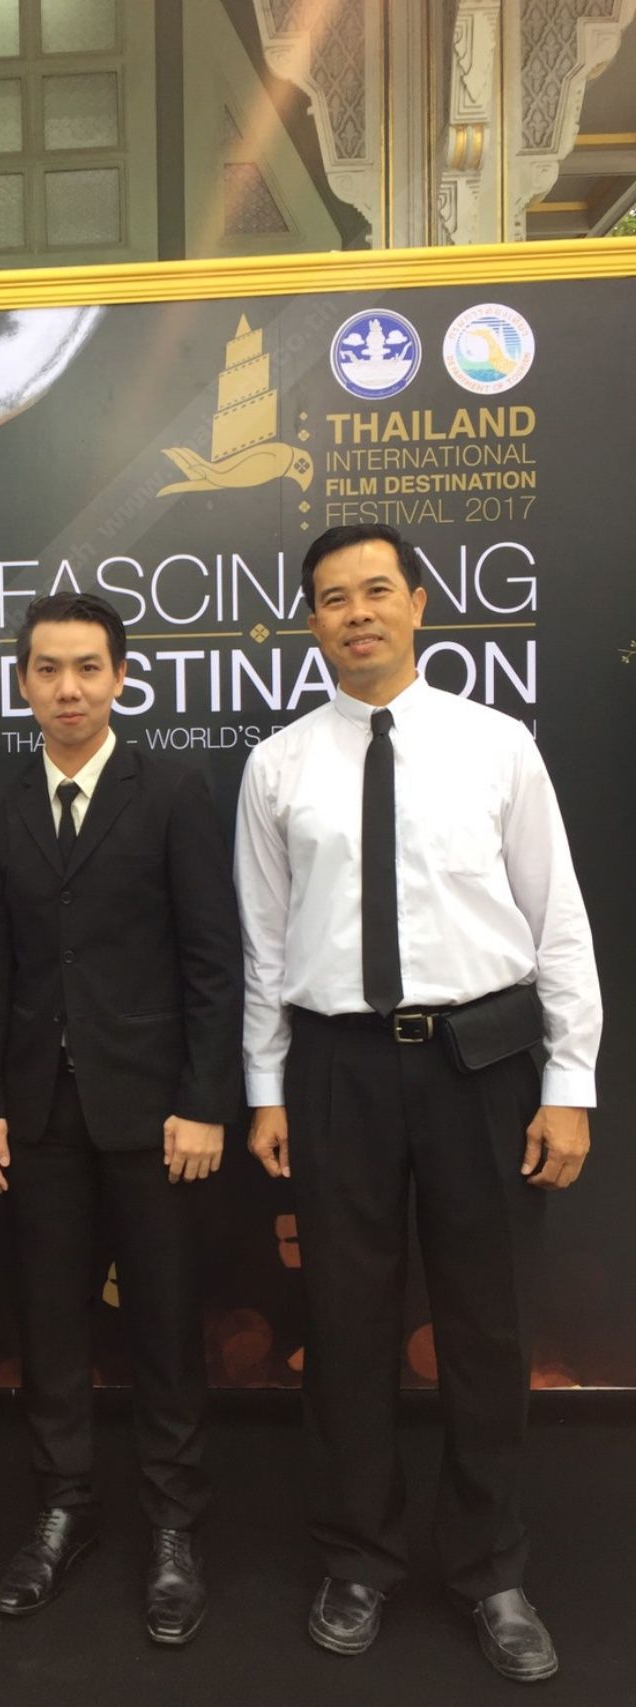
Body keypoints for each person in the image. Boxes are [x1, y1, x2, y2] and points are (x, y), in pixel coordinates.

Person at [234, 524, 601, 1684]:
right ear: (310, 622)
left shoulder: (496, 746)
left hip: (479, 1066)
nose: (356, 614)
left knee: (485, 1327)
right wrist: (262, 1087)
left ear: (416, 605)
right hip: (334, 1069)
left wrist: (569, 1084)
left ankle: (488, 1568)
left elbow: (556, 923)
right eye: (332, 598)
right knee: (343, 1329)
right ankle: (358, 1559)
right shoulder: (277, 766)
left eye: (375, 591)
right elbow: (260, 946)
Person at [0, 591, 243, 1646]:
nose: (68, 688)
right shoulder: (1, 800)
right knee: (50, 1321)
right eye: (48, 669)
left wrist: (203, 1100)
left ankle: (174, 1525)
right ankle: (63, 1507)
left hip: (154, 1110)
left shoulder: (172, 789)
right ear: (23, 683)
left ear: (121, 678)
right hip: (37, 1110)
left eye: (88, 667)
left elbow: (212, 958)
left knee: (165, 1323)